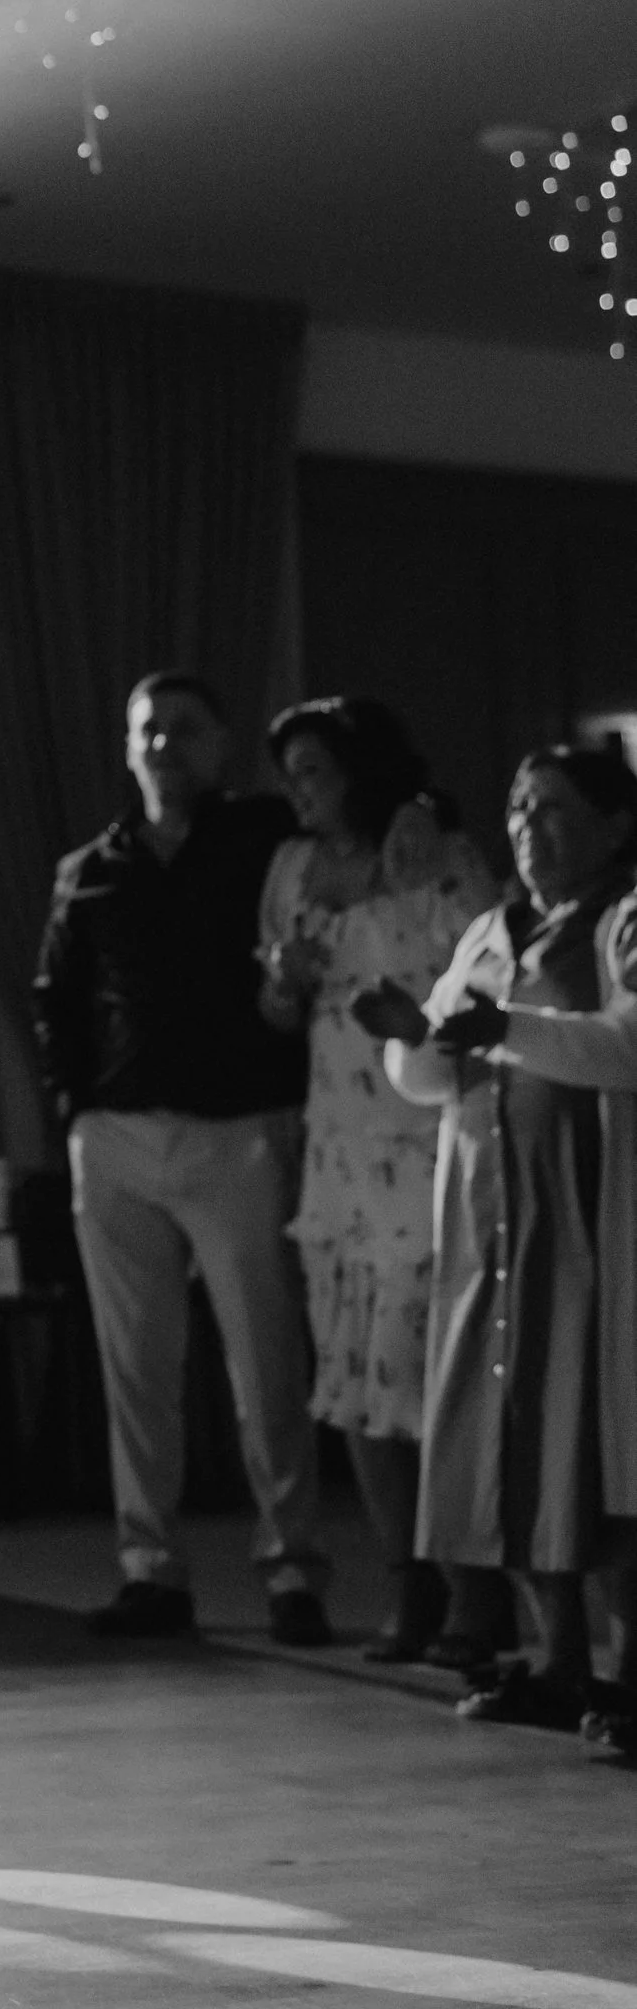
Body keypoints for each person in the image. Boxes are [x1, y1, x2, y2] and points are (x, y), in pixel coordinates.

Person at [34, 671, 331, 1644]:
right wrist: (75, 1111)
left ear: (218, 743)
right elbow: (56, 998)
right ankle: (150, 1570)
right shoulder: (90, 868)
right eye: (146, 729)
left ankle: (292, 1571)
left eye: (182, 728)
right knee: (135, 1369)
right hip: (117, 1138)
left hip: (236, 1131)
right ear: (127, 748)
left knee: (266, 1363)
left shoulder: (263, 843)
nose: (162, 743)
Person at [365, 740, 637, 1735]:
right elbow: (436, 1074)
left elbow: (631, 1043)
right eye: (519, 809)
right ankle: (557, 1664)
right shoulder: (493, 929)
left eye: (553, 809)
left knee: (602, 1452)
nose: (528, 828)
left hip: (591, 1226)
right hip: (494, 1229)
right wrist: (410, 1035)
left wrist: (503, 1030)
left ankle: (627, 1676)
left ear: (615, 823)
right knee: (511, 1441)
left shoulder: (624, 918)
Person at [256, 699, 499, 1659]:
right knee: (354, 1368)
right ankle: (406, 1577)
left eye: (313, 770)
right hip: (338, 1145)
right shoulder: (292, 867)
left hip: (426, 1134)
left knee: (431, 1365)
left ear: (360, 768)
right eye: (290, 775)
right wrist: (283, 979)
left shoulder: (435, 851)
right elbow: (277, 1010)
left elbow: (492, 978)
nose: (298, 791)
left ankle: (472, 1581)